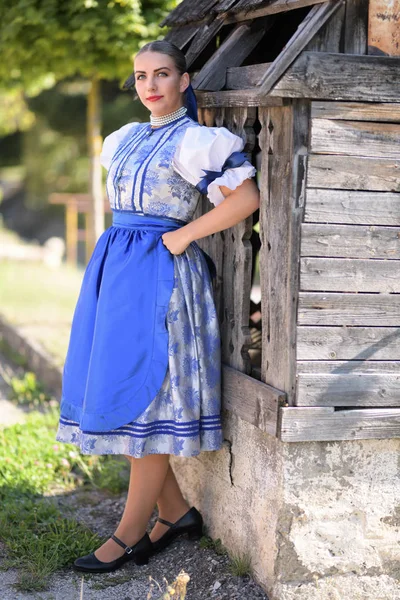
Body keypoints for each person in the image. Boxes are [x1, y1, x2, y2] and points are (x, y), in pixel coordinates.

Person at [55, 40, 260, 574]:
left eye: (162, 74)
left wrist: (182, 237)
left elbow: (246, 199)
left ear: (184, 80)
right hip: (117, 272)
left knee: (148, 397)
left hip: (162, 275)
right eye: (142, 76)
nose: (150, 85)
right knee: (119, 386)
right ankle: (173, 512)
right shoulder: (121, 139)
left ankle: (128, 535)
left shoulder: (197, 142)